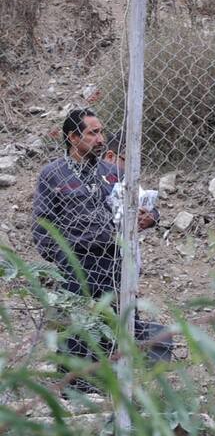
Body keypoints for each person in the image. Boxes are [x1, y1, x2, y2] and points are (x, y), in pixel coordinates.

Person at [32, 110, 163, 373]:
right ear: (72, 137)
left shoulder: (113, 172)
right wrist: (63, 259)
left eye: (101, 132)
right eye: (93, 133)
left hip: (116, 261)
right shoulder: (53, 174)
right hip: (77, 264)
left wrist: (151, 217)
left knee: (120, 324)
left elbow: (143, 204)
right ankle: (76, 389)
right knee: (79, 331)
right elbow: (42, 226)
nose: (101, 139)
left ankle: (120, 386)